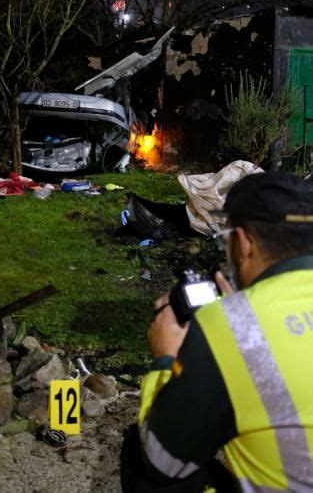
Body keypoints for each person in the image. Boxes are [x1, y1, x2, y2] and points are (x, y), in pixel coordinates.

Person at [122, 171, 313, 491]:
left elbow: (162, 460)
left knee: (141, 458)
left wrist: (165, 360)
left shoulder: (234, 325)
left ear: (243, 243)